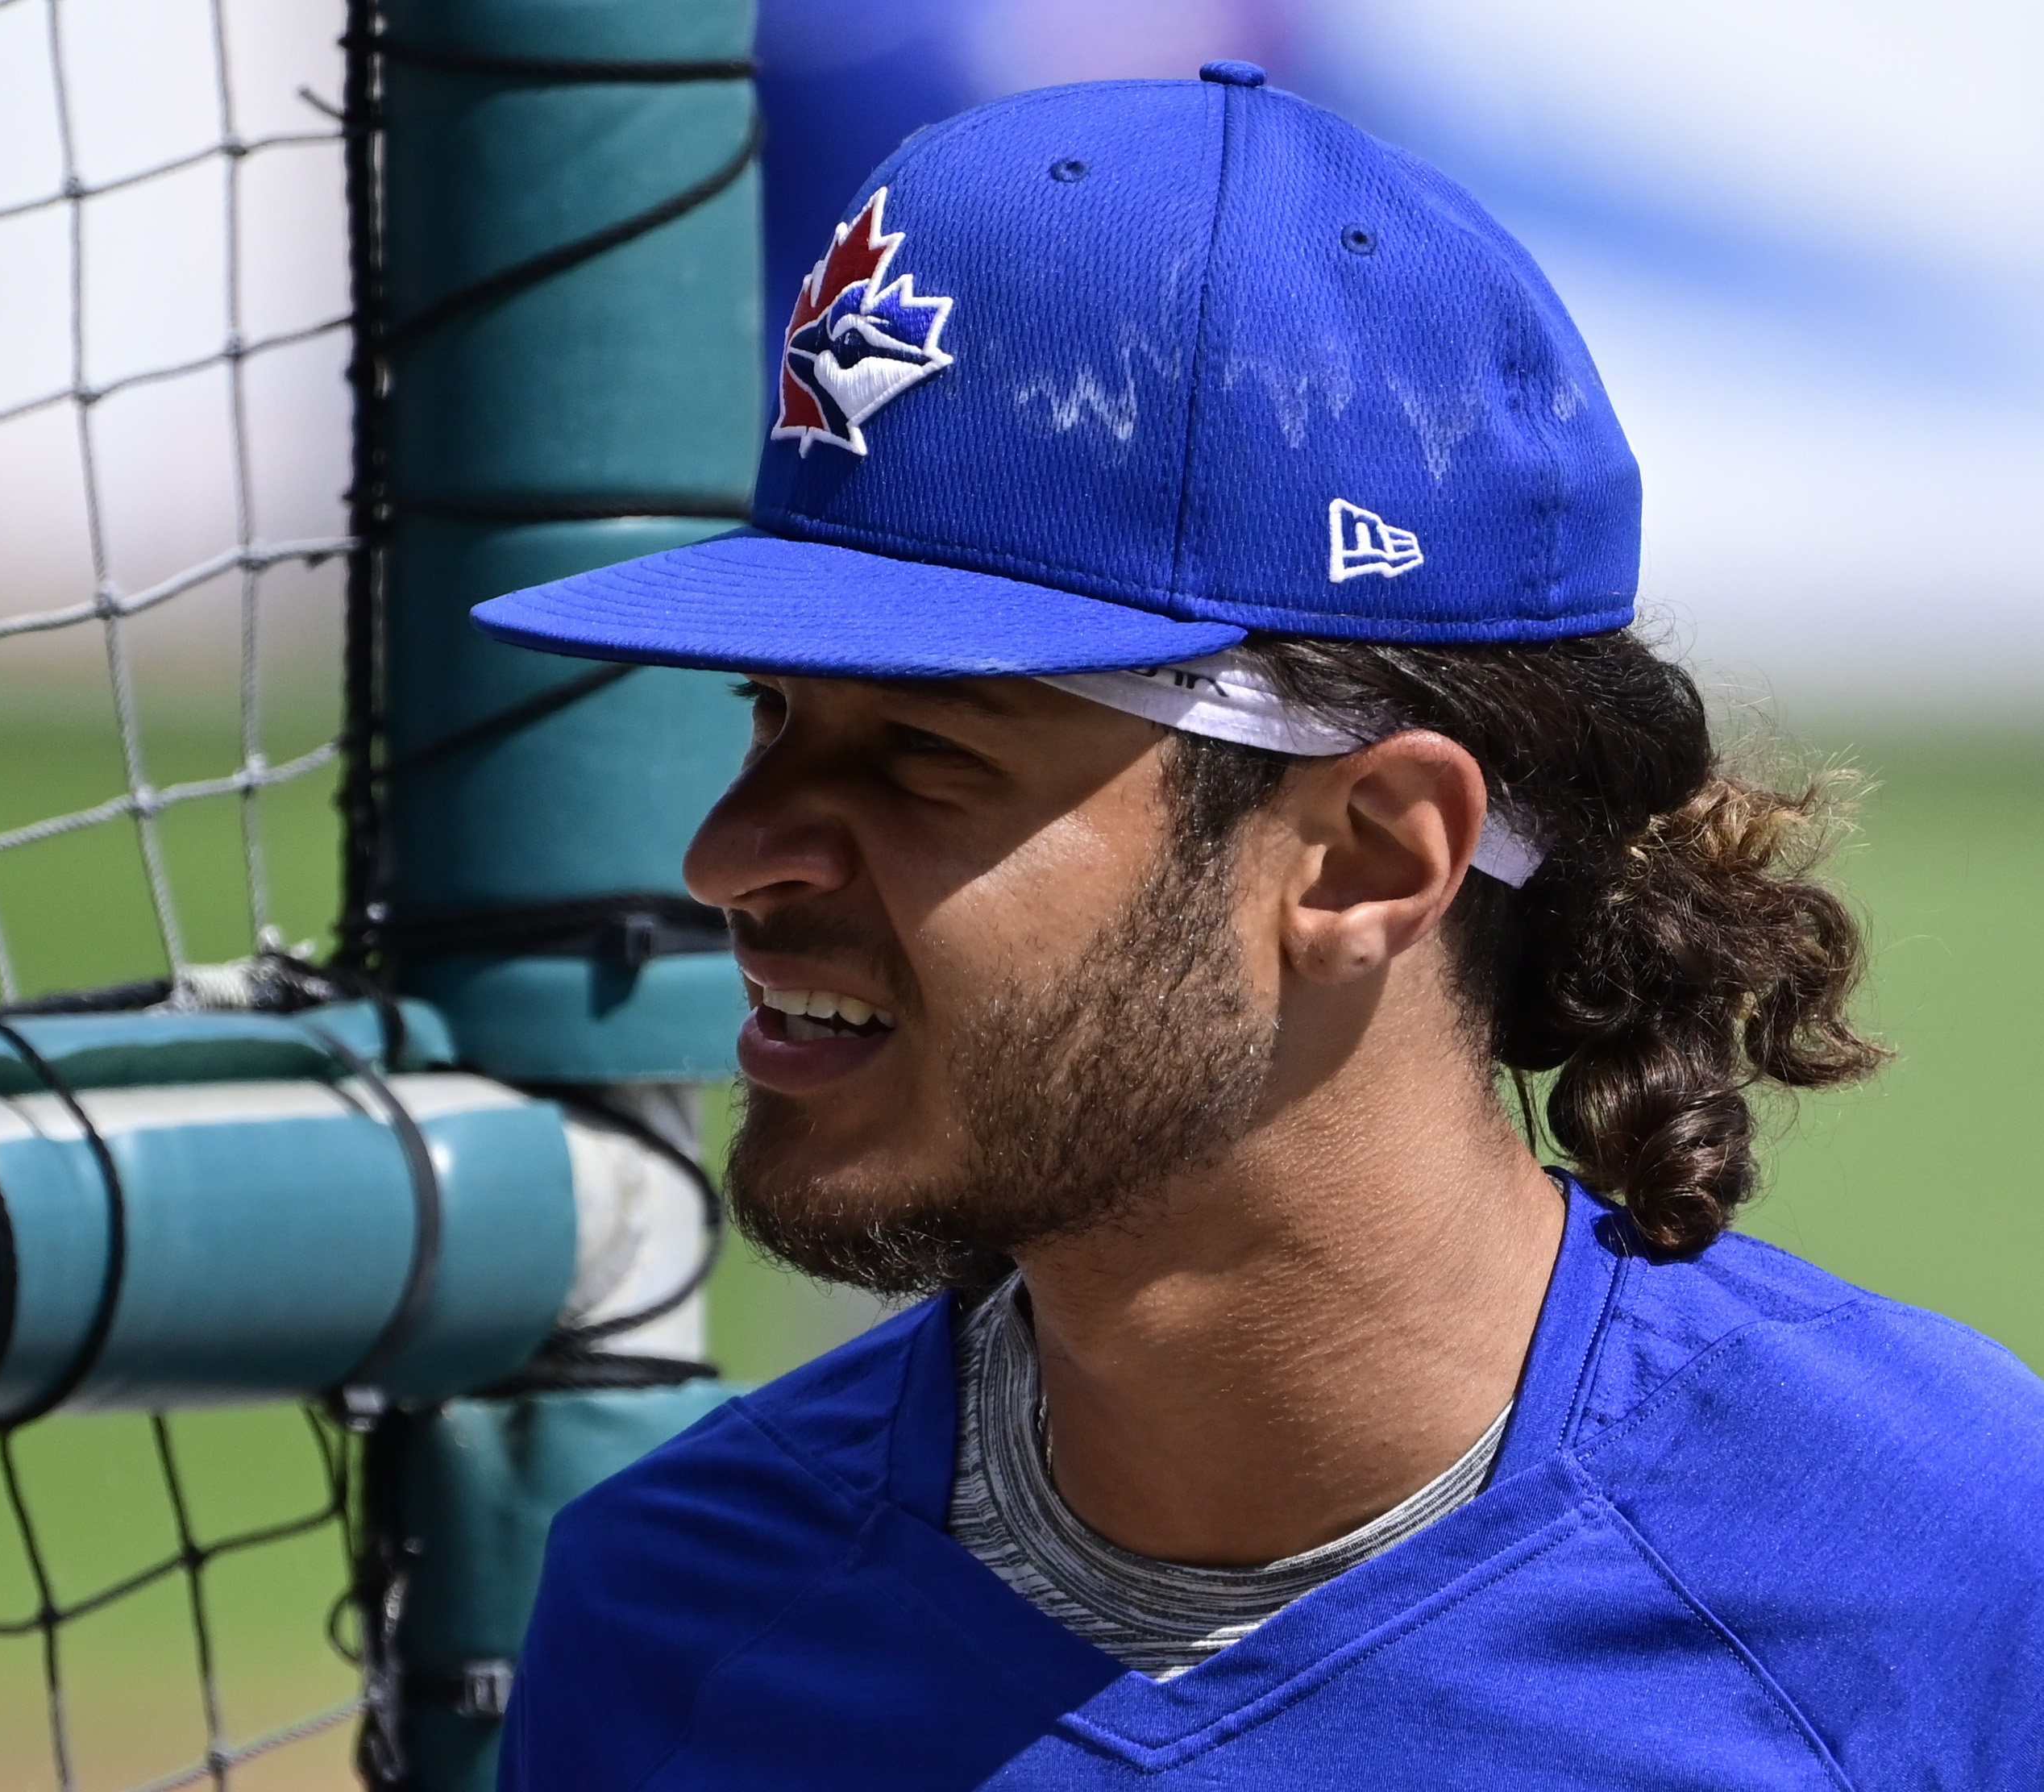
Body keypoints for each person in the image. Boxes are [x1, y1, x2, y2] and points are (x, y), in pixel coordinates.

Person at [470, 66, 2044, 1788]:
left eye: (925, 753)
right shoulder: (674, 1618)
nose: (730, 853)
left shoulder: (1945, 1580)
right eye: (773, 714)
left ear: (1370, 856)